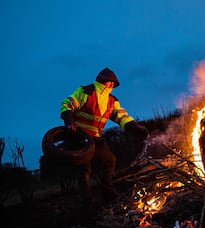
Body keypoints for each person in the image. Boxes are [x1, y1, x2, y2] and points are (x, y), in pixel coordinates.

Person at [60, 67, 148, 208]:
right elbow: (67, 104)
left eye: (114, 83)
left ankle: (108, 193)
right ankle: (87, 202)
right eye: (111, 82)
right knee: (84, 170)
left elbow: (121, 115)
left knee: (110, 160)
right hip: (80, 138)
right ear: (103, 81)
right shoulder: (85, 92)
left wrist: (134, 127)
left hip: (97, 139)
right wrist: (69, 120)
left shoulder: (111, 100)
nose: (112, 85)